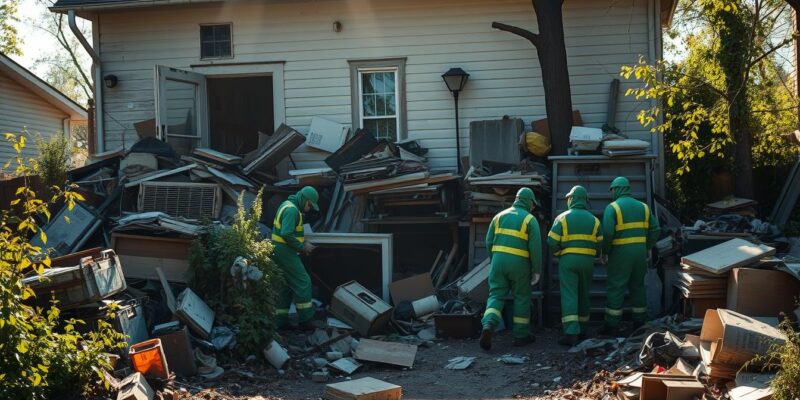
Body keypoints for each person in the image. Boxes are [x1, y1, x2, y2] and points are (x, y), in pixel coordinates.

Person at [479, 187, 542, 350]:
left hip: (498, 260)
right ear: (529, 202)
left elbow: (488, 241)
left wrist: (494, 259)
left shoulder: (499, 216)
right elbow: (535, 248)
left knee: (495, 296)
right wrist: (536, 270)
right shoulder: (530, 219)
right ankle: (521, 336)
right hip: (520, 263)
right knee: (521, 297)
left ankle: (488, 324)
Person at [599, 177, 660, 336]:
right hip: (639, 254)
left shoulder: (613, 208)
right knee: (638, 286)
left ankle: (612, 325)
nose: (611, 193)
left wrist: (604, 252)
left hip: (620, 254)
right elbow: (655, 230)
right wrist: (647, 247)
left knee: (616, 287)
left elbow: (607, 233)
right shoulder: (644, 207)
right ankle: (639, 324)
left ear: (617, 189)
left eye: (612, 190)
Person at [547, 185, 602, 346]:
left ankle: (571, 332)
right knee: (584, 293)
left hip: (568, 260)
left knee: (569, 294)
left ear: (571, 199)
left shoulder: (562, 218)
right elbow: (600, 243)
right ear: (585, 200)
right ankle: (583, 329)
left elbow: (551, 241)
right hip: (587, 262)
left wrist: (559, 253)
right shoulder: (594, 220)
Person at [272, 186, 320, 330]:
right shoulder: (292, 210)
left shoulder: (287, 205)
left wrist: (302, 243)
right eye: (309, 204)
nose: (309, 208)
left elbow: (286, 233)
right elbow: (286, 233)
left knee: (285, 285)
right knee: (303, 282)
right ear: (304, 199)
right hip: (285, 251)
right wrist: (303, 247)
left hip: (280, 250)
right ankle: (306, 320)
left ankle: (280, 321)